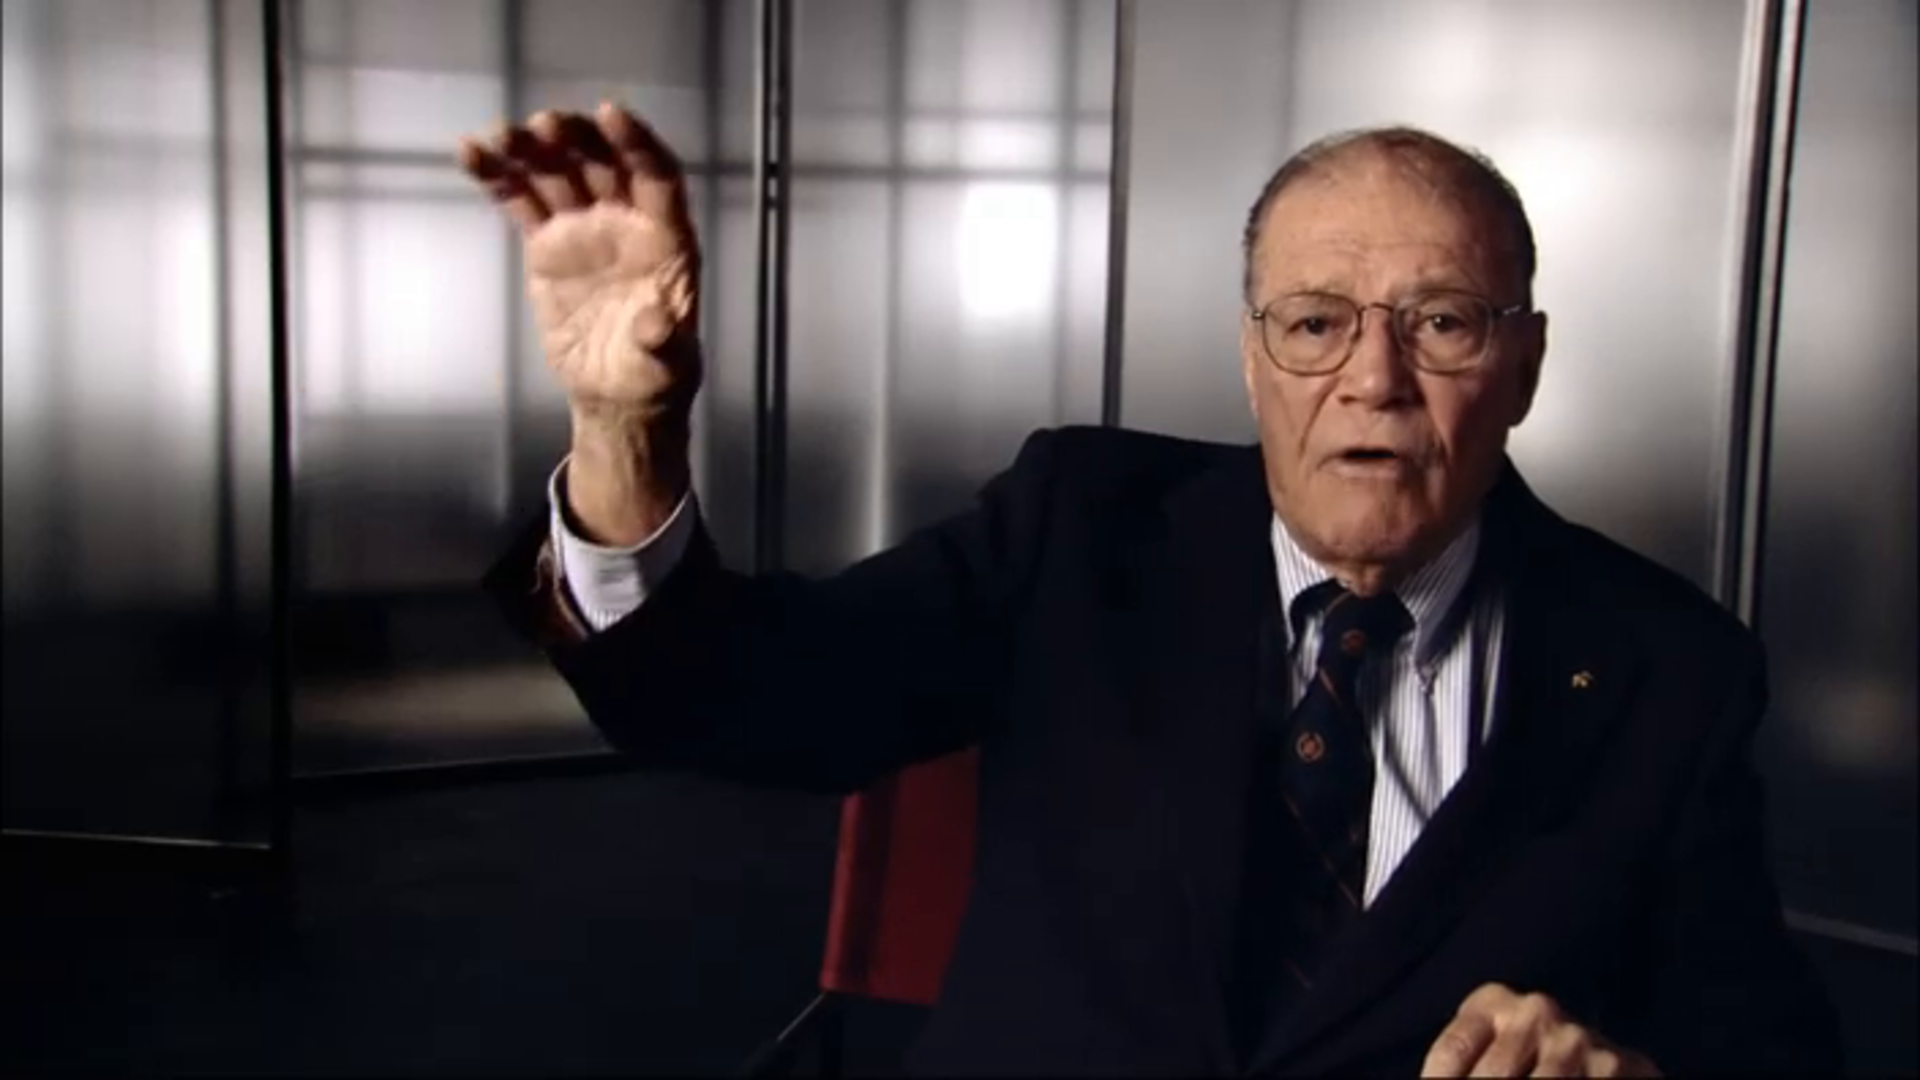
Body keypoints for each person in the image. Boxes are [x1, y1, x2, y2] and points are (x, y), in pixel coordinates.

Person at [457, 102, 1841, 1076]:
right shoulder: (1081, 526)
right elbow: (748, 700)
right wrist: (626, 433)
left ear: (1526, 363)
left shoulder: (1670, 669)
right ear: (1251, 361)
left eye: (1442, 321)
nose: (1374, 379)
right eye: (1315, 325)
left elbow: (1766, 1050)